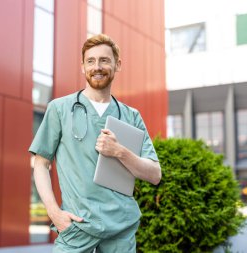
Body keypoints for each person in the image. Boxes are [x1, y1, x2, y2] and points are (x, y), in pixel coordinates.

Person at [29, 34, 161, 253]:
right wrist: (54, 213)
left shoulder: (131, 116)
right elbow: (40, 164)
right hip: (76, 226)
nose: (97, 67)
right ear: (82, 67)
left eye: (104, 60)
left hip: (121, 227)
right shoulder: (60, 109)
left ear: (117, 65)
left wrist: (120, 151)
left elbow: (155, 174)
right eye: (90, 61)